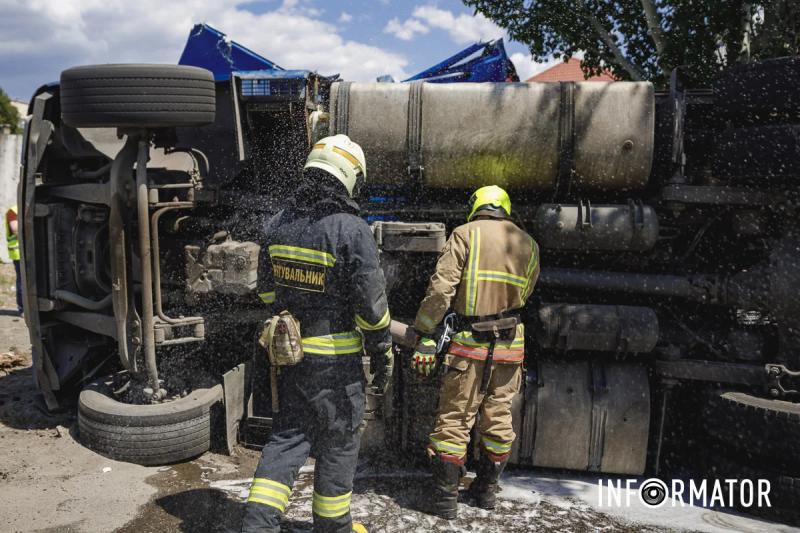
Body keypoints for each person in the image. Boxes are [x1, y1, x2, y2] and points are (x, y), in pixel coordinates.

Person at [241, 134, 393, 533]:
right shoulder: (352, 230)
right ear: (348, 177)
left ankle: (257, 526)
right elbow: (372, 310)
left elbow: (268, 292)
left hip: (290, 359)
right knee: (340, 441)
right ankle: (334, 527)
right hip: (336, 366)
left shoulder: (278, 224)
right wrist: (381, 352)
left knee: (288, 437)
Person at [411, 185, 540, 519]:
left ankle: (444, 502)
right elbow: (525, 292)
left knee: (455, 420)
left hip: (469, 345)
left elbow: (441, 289)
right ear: (505, 209)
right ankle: (485, 492)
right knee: (498, 420)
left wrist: (425, 330)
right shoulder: (529, 243)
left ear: (475, 207)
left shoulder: (465, 234)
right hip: (511, 347)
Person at [5, 205, 22, 315]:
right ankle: (23, 308)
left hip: (26, 251)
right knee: (22, 282)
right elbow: (15, 229)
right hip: (18, 252)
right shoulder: (13, 210)